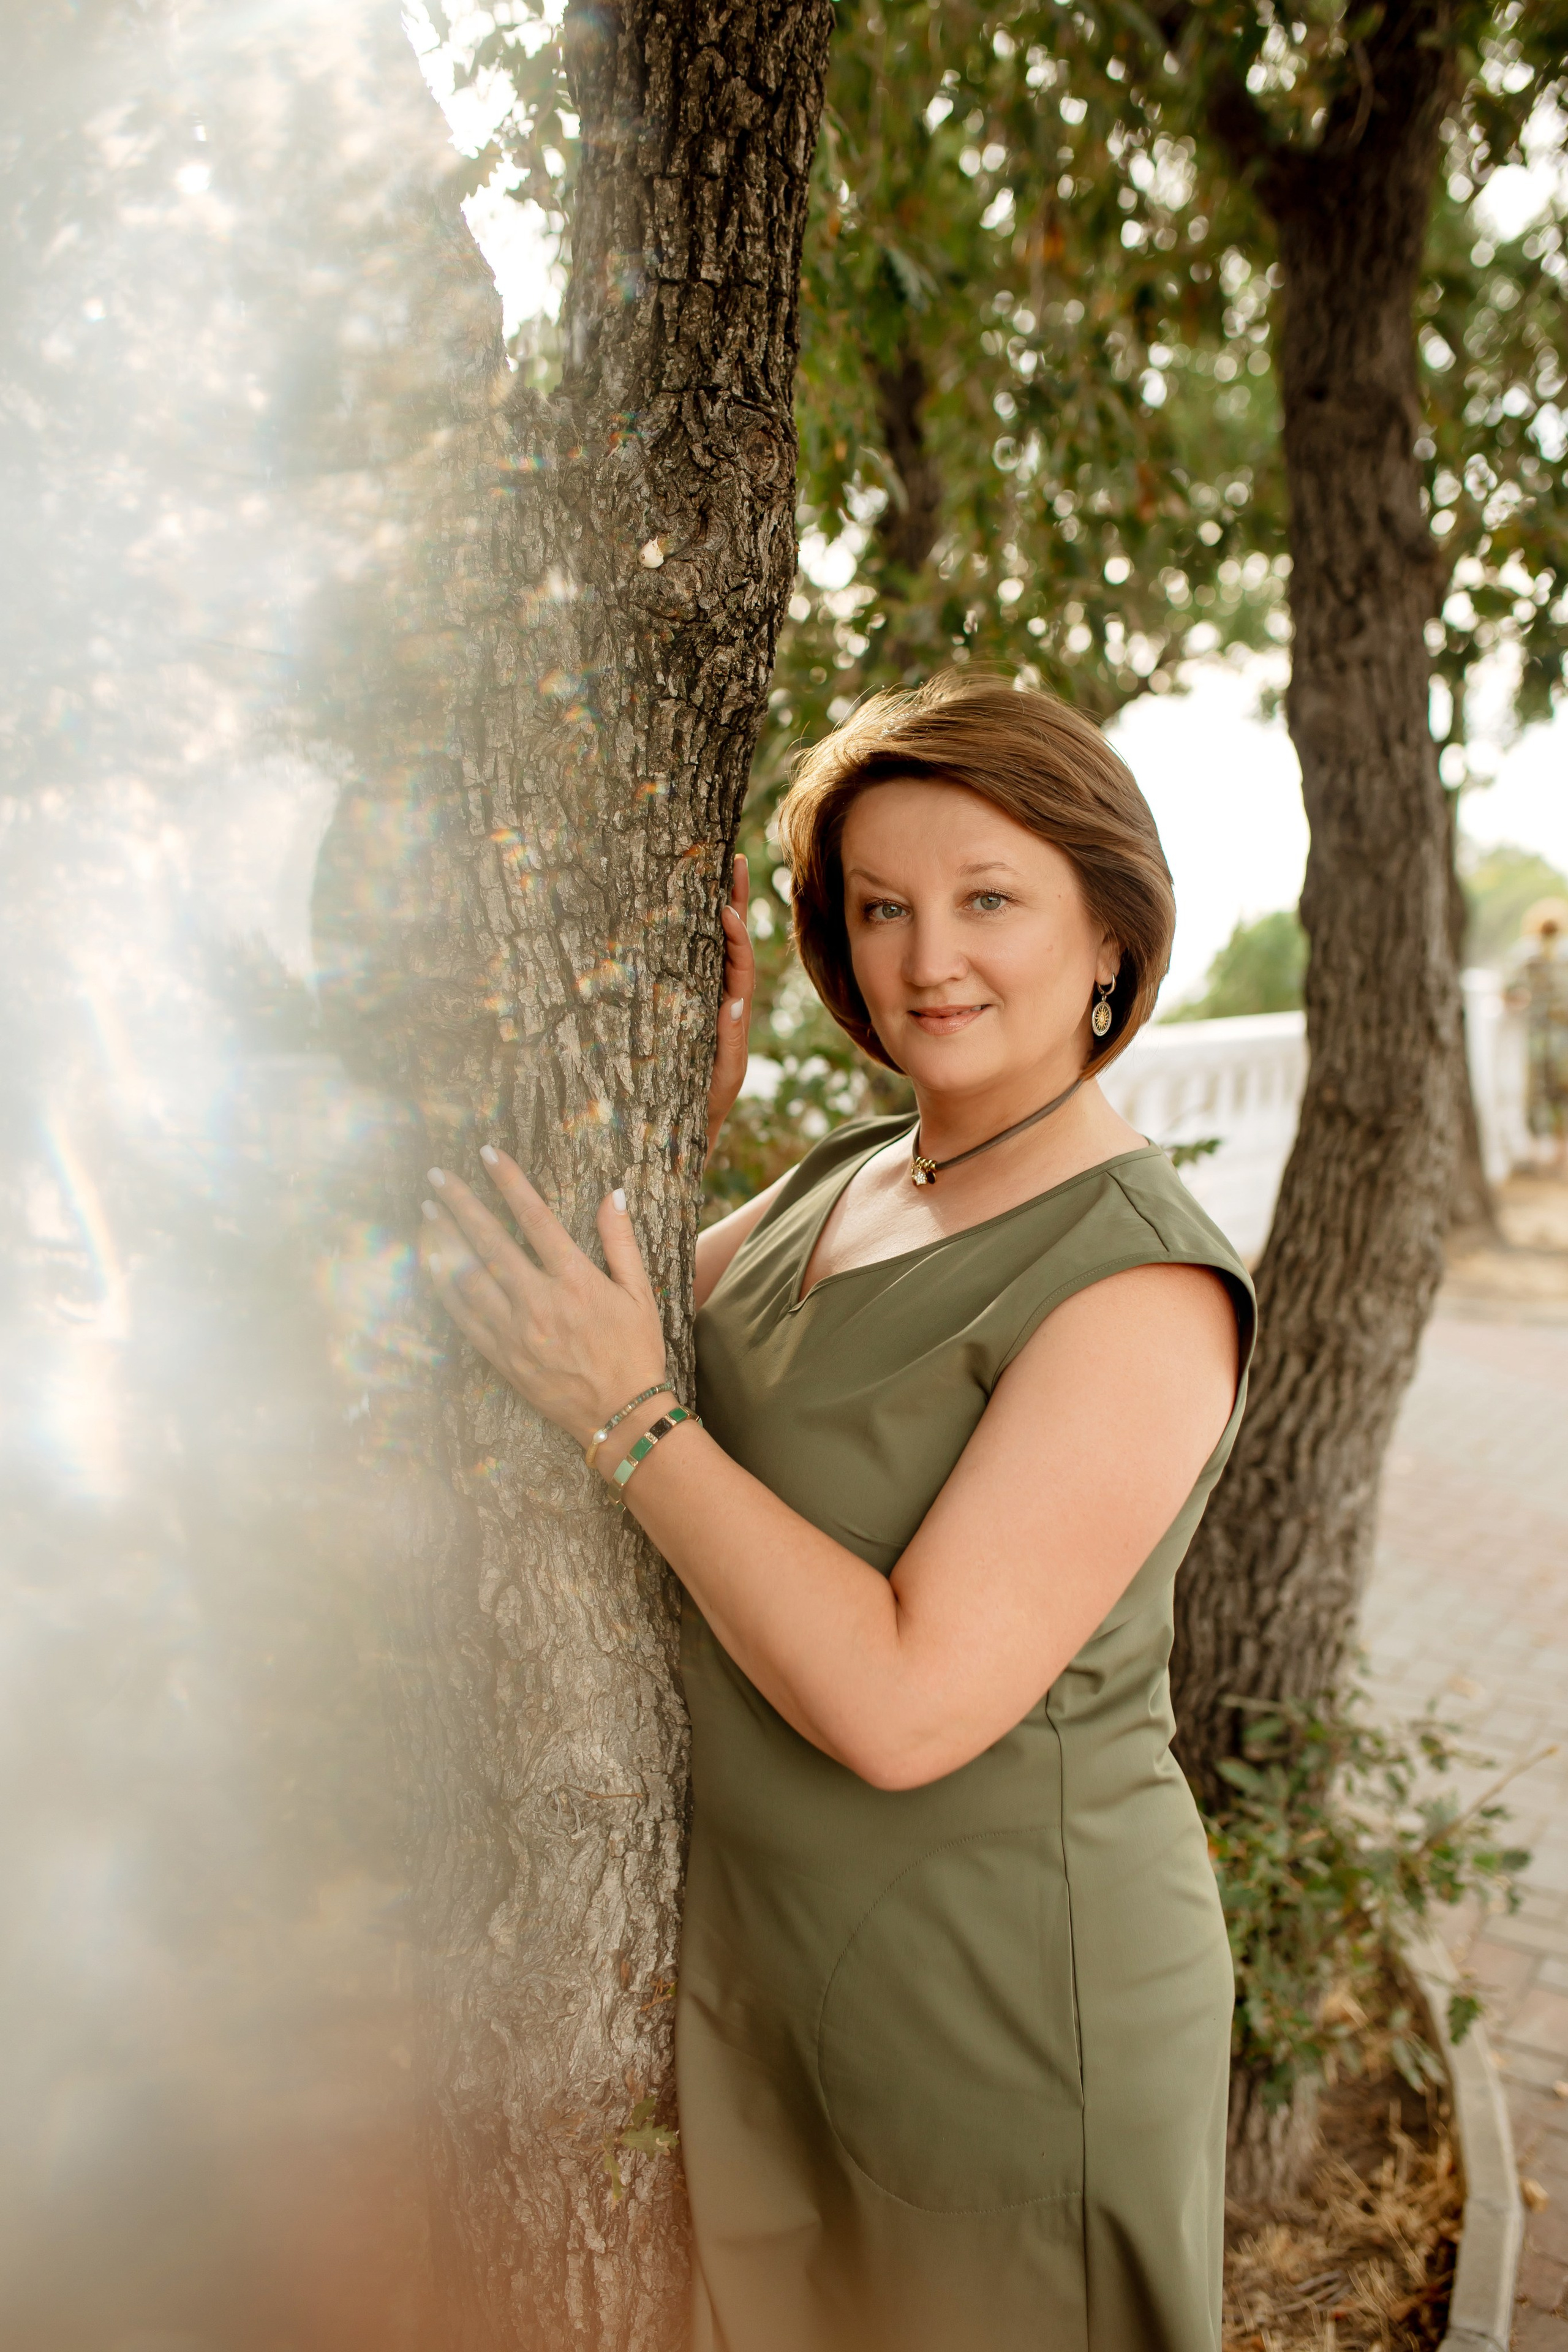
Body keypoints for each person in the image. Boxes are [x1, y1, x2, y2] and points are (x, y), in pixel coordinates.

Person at [420, 672, 1256, 2352]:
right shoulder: (850, 1180)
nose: (928, 956)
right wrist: (681, 1117)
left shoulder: (1137, 1288)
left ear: (1112, 936)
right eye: (882, 907)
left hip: (1000, 2011)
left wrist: (630, 1421)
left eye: (990, 899)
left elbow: (900, 1702)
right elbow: (638, 1322)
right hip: (790, 1978)